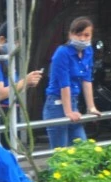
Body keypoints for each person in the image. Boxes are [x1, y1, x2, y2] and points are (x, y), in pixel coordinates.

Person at [43, 16, 101, 148]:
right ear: (70, 34)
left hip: (73, 101)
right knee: (60, 154)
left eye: (87, 35)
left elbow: (87, 80)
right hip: (56, 103)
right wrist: (68, 112)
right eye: (78, 34)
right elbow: (64, 84)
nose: (82, 39)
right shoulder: (62, 52)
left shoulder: (88, 51)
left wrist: (91, 107)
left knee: (83, 150)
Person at [0, 22, 43, 129]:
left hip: (11, 111)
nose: (17, 46)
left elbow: (14, 89)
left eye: (18, 43)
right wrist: (25, 81)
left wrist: (29, 82)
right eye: (15, 42)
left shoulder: (7, 60)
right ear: (2, 40)